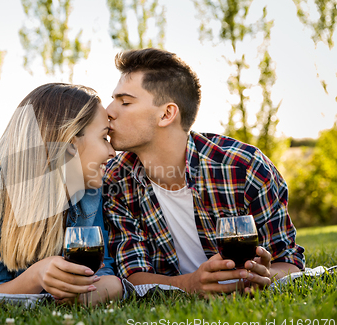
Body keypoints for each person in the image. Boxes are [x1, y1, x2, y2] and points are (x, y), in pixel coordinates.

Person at [102, 48, 305, 296]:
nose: (108, 111)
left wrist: (258, 276)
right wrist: (189, 285)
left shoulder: (244, 167)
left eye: (124, 102)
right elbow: (132, 274)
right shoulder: (116, 179)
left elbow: (289, 262)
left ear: (166, 114)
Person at [0, 83, 122, 305]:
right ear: (70, 143)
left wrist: (81, 291)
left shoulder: (88, 188)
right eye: (104, 138)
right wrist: (37, 276)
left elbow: (105, 274)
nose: (112, 152)